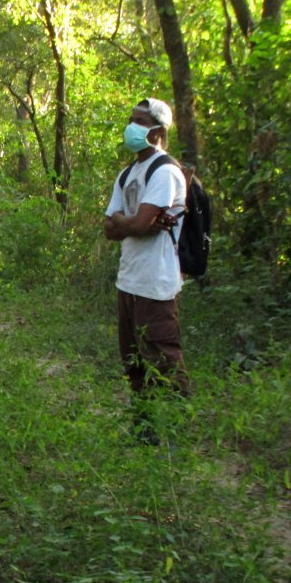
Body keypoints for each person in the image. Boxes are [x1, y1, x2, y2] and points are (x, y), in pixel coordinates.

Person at [103, 98, 190, 445]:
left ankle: (179, 426)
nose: (131, 127)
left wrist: (131, 222)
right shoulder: (127, 173)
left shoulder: (165, 171)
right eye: (130, 119)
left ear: (156, 131)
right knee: (133, 359)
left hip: (155, 282)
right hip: (129, 279)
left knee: (164, 356)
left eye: (139, 121)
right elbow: (111, 228)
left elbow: (135, 223)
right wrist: (132, 223)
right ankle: (145, 427)